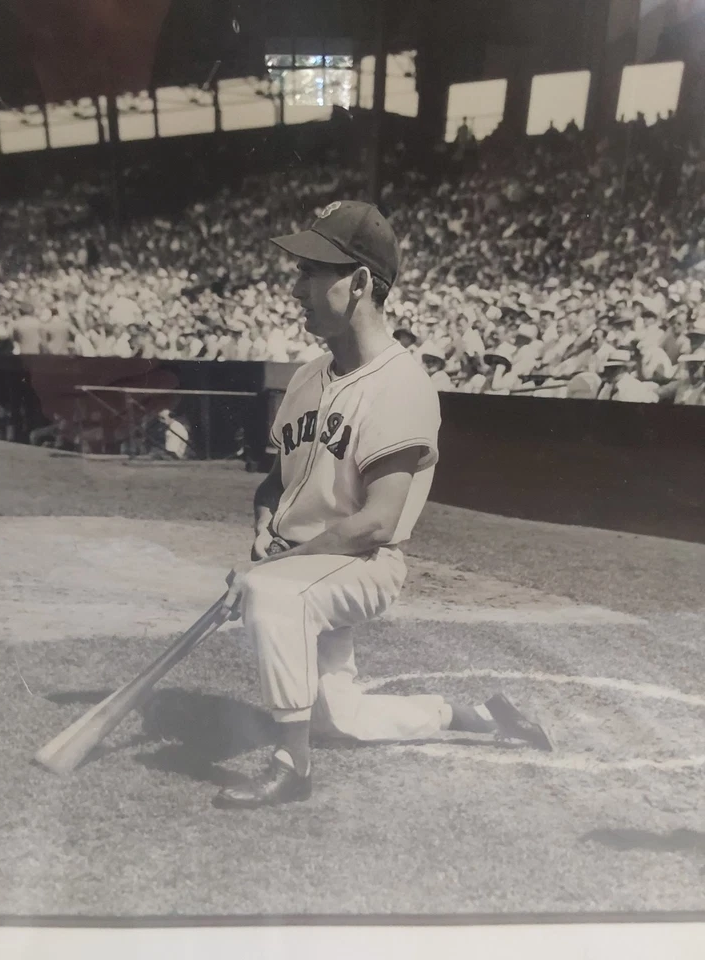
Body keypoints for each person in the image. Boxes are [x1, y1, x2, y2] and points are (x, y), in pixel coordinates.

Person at [213, 200, 552, 809]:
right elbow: (275, 482)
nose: (297, 288)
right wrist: (264, 521)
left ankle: (292, 768)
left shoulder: (403, 383)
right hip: (310, 561)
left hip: (364, 564)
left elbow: (377, 523)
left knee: (270, 594)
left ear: (362, 283)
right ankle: (477, 716)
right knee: (337, 719)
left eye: (313, 272)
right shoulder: (306, 377)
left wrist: (272, 569)